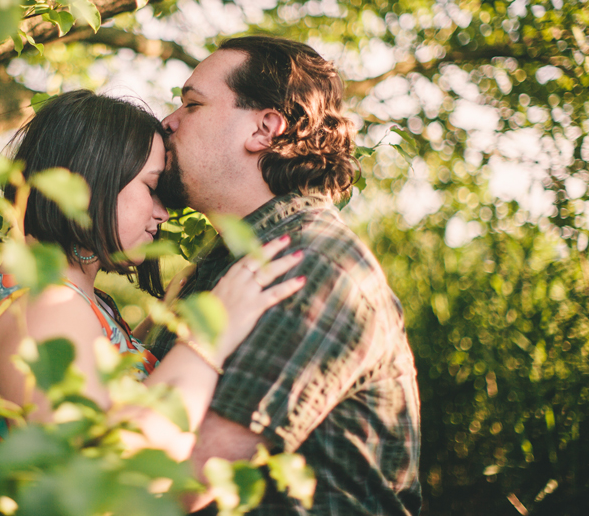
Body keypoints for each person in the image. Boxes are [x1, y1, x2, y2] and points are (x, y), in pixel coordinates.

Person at [0, 89, 306, 463]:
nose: (162, 214)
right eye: (151, 188)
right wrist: (208, 341)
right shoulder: (49, 306)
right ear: (92, 178)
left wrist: (159, 322)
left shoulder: (62, 300)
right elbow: (108, 472)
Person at [149, 36, 422, 515]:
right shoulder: (232, 263)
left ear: (264, 128)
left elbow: (178, 485)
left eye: (191, 104)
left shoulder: (308, 267)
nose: (168, 122)